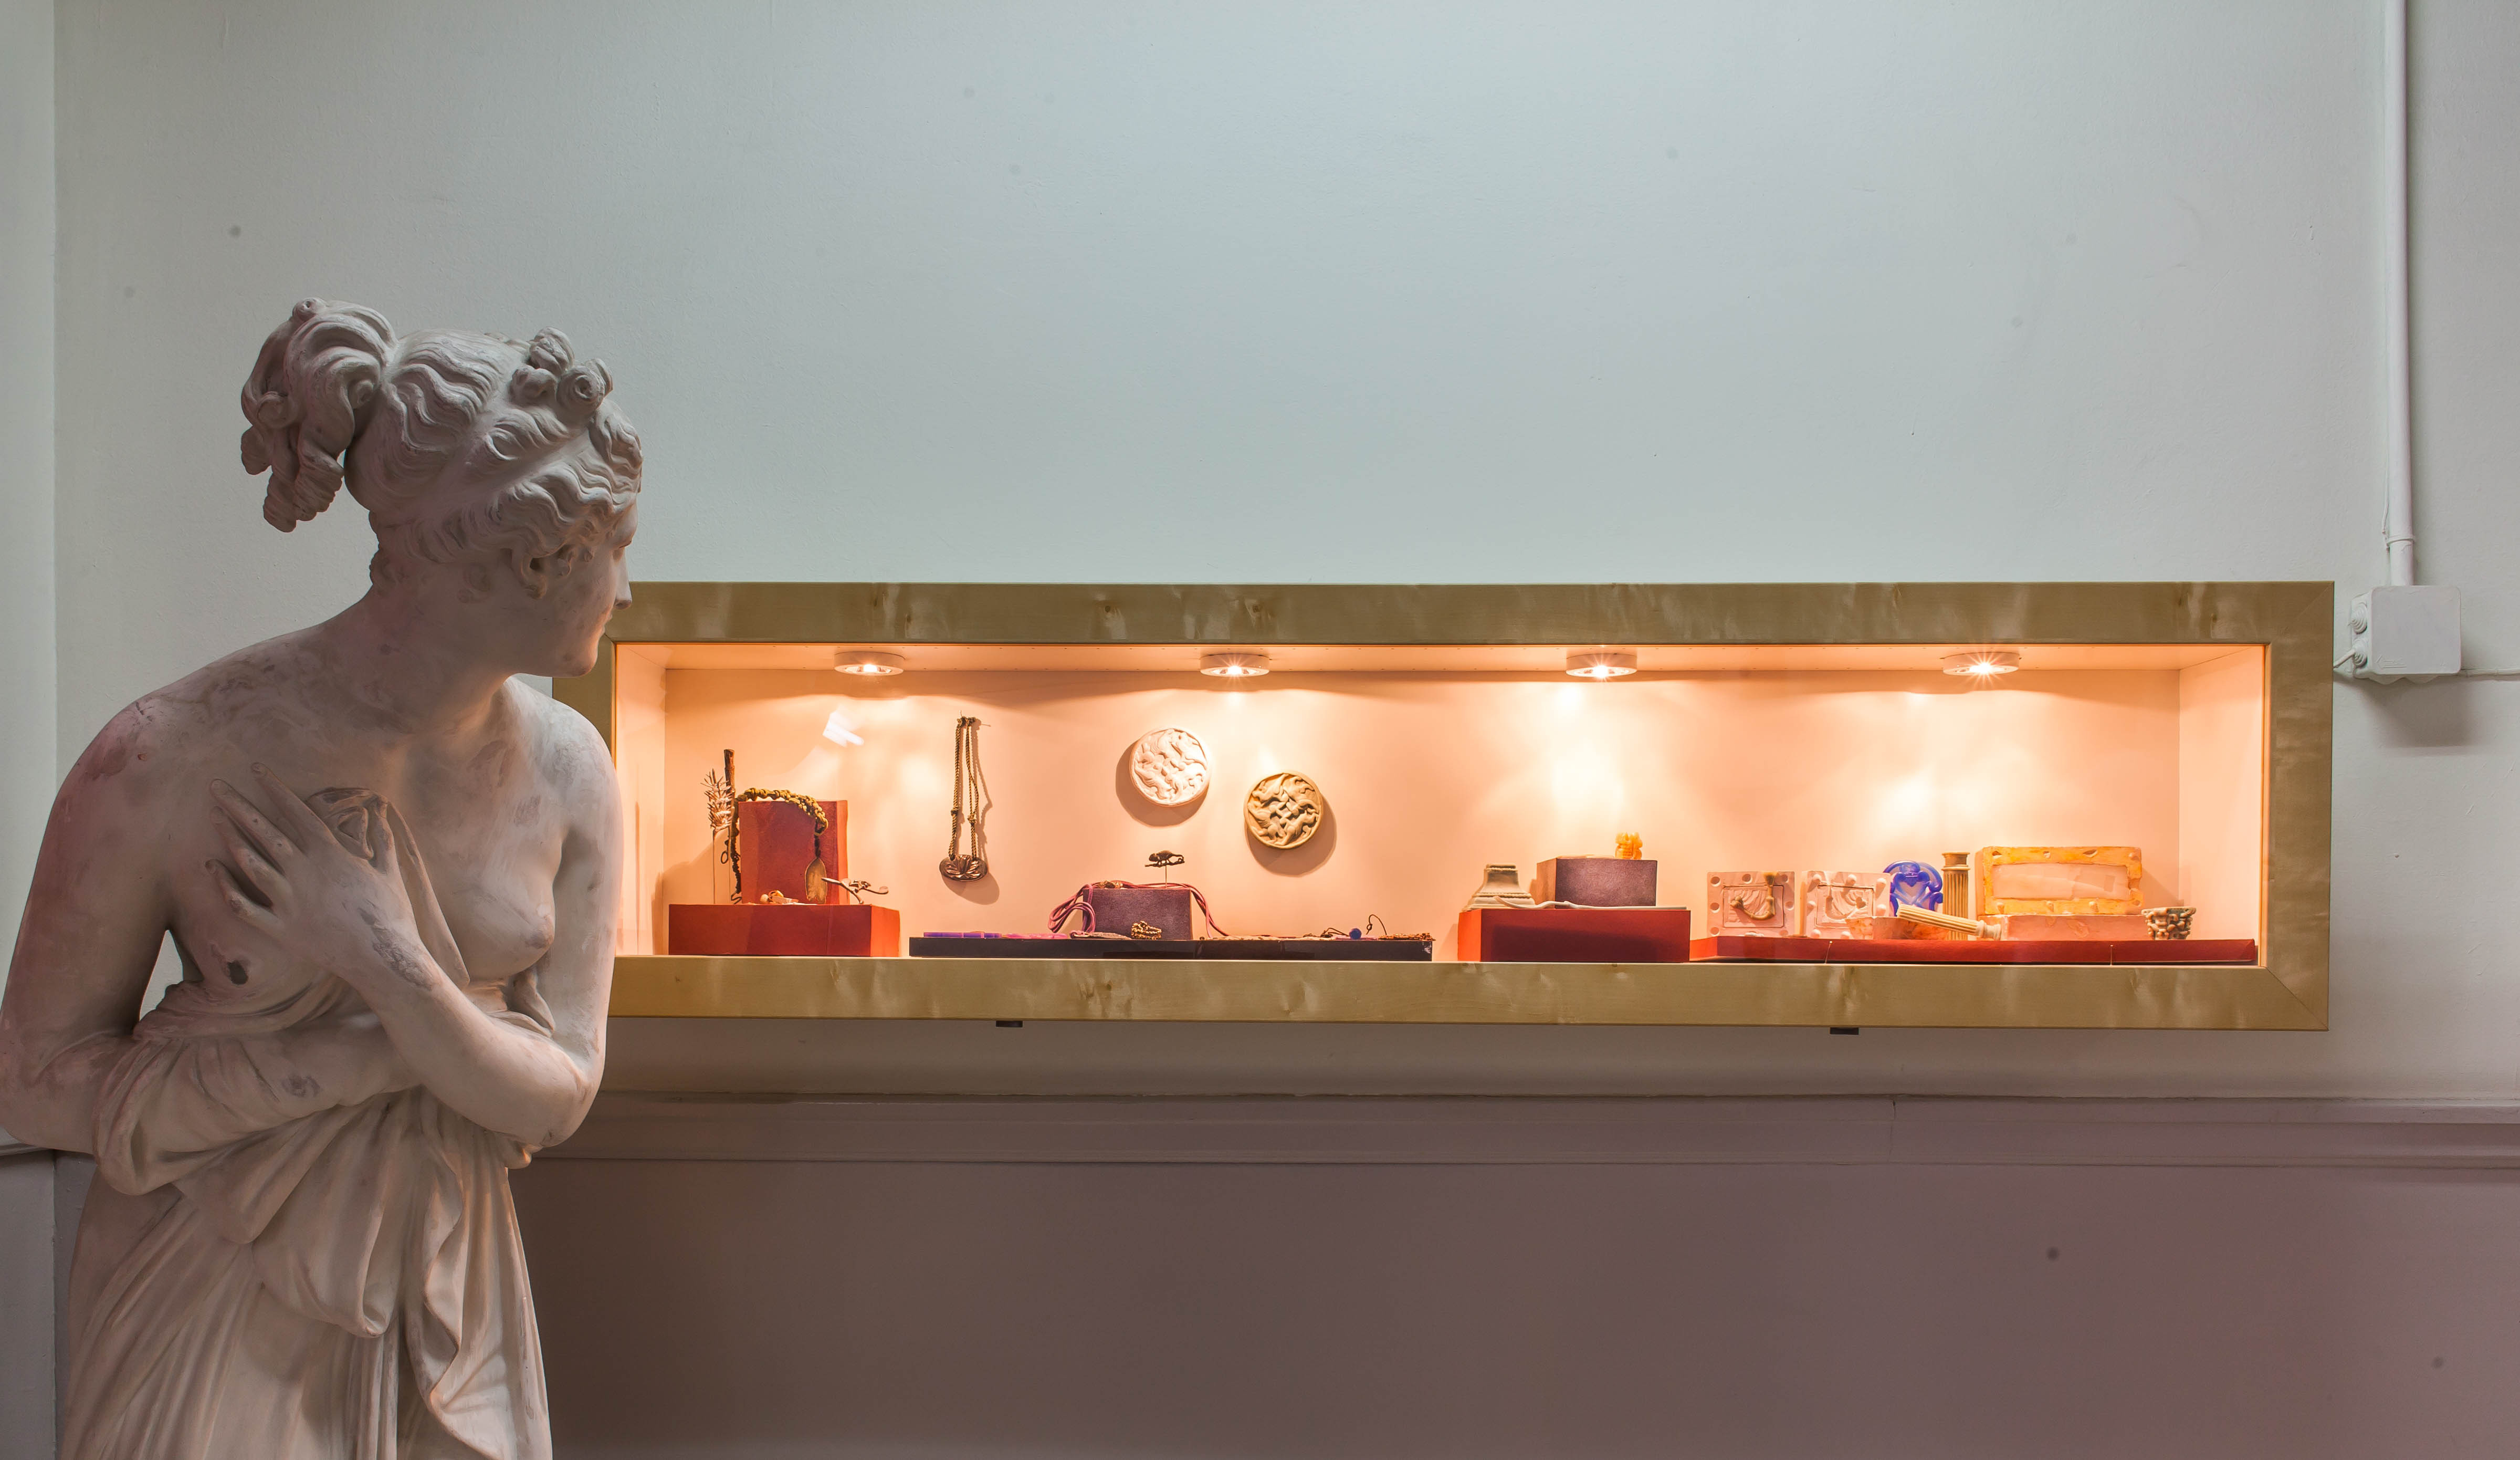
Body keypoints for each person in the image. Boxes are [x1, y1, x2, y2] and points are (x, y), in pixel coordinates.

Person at [0, 299, 638, 1458]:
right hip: (211, 1294)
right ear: (514, 564)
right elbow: (31, 1082)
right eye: (611, 551)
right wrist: (384, 1050)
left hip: (448, 1296)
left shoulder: (570, 770)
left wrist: (388, 965)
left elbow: (562, 1091)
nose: (625, 590)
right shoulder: (174, 753)